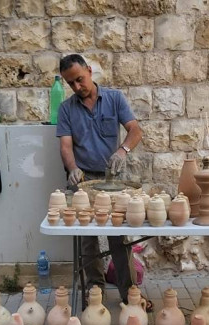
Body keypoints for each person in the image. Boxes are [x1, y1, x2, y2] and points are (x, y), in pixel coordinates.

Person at [56, 54, 150, 310]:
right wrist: (72, 168)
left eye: (80, 79)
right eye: (71, 83)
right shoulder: (66, 109)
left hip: (112, 180)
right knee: (87, 239)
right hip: (83, 180)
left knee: (119, 238)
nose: (77, 87)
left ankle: (130, 293)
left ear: (89, 71)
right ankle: (95, 292)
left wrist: (122, 151)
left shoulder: (114, 98)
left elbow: (135, 130)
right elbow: (65, 146)